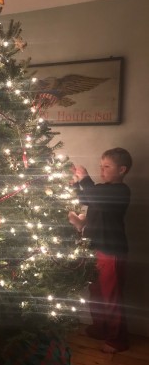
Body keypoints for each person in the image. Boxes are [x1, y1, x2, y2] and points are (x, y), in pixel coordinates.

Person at [68, 147, 132, 354]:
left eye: (106, 166)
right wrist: (77, 183)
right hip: (93, 248)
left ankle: (117, 339)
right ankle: (100, 327)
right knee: (95, 292)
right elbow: (87, 199)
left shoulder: (121, 191)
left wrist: (85, 179)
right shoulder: (101, 189)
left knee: (111, 296)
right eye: (100, 166)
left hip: (111, 251)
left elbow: (96, 196)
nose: (101, 170)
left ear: (122, 170)